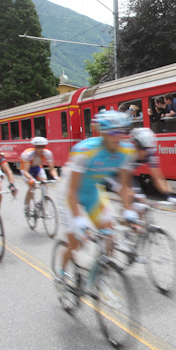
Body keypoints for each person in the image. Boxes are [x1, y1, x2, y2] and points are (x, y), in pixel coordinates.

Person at [56, 111, 138, 277]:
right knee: (76, 244)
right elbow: (72, 190)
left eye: (121, 132)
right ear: (103, 133)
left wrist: (129, 211)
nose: (118, 137)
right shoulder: (86, 150)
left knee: (110, 235)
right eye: (113, 133)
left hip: (92, 192)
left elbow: (124, 186)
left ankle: (101, 276)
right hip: (70, 194)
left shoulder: (126, 151)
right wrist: (78, 219)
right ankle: (61, 274)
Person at [20, 136, 59, 215]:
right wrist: (32, 179)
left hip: (37, 167)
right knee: (32, 186)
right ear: (34, 147)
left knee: (44, 185)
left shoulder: (47, 153)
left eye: (43, 147)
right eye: (39, 147)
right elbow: (26, 172)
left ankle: (44, 209)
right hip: (26, 169)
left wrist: (56, 177)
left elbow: (52, 169)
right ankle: (27, 205)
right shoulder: (28, 154)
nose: (41, 149)